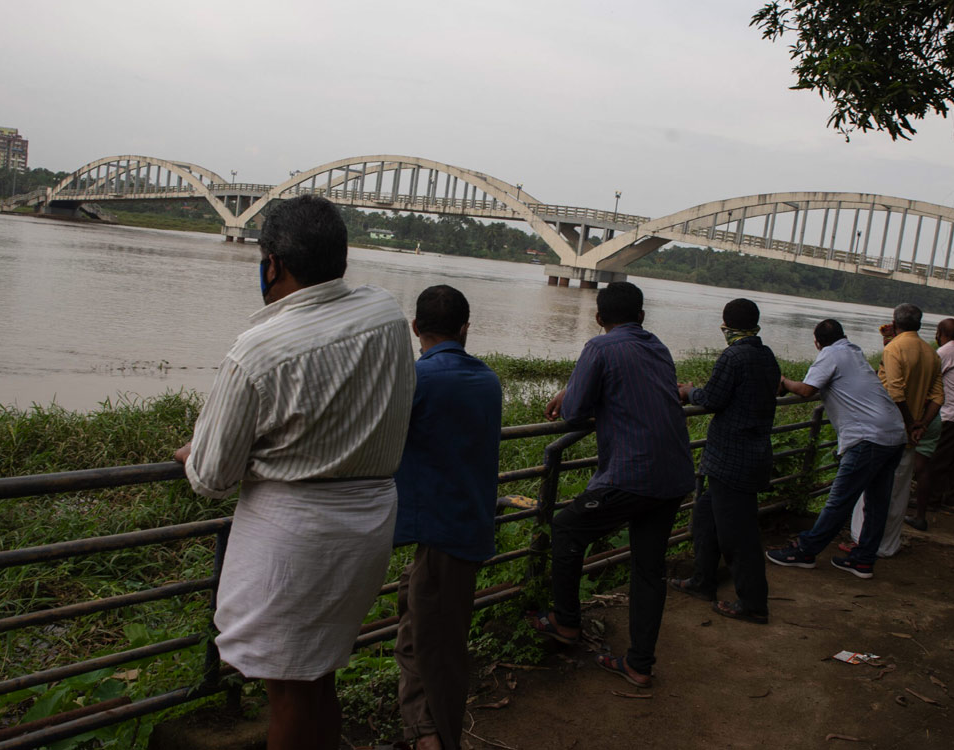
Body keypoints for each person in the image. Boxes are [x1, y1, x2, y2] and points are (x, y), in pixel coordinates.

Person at [173, 195, 415, 750]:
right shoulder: (386, 314)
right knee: (319, 675)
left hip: (296, 540)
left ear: (273, 263)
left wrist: (197, 453)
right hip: (369, 522)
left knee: (287, 691)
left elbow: (211, 479)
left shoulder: (257, 352)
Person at [528, 281, 694, 689]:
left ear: (599, 318)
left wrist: (570, 392)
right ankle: (639, 663)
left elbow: (577, 409)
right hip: (674, 475)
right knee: (649, 570)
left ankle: (566, 622)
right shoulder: (657, 346)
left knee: (567, 527)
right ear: (641, 317)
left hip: (634, 473)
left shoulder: (600, 348)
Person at [392, 285, 502, 750]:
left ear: (415, 328)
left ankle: (435, 739)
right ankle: (424, 733)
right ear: (465, 329)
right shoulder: (488, 380)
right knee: (417, 637)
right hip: (465, 528)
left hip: (440, 534)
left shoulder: (417, 380)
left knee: (436, 655)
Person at [768, 319, 906, 578]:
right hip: (893, 433)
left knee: (839, 501)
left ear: (817, 342)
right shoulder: (853, 351)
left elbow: (807, 390)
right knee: (876, 503)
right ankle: (863, 559)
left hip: (868, 438)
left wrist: (784, 382)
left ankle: (805, 551)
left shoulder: (831, 354)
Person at [670, 298, 779, 623]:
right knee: (705, 518)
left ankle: (754, 604)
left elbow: (714, 399)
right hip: (749, 456)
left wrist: (690, 392)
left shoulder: (734, 356)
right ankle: (703, 581)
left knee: (739, 536)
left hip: (732, 460)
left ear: (726, 325)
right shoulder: (766, 354)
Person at [849, 303, 943, 557]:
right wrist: (921, 423)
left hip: (885, 431)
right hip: (910, 437)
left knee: (871, 491)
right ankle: (888, 544)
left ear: (895, 322)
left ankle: (863, 540)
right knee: (899, 490)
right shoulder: (931, 353)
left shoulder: (895, 349)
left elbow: (895, 392)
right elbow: (937, 396)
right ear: (920, 324)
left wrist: (910, 422)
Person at [905, 319, 954, 530]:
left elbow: (924, 378)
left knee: (936, 460)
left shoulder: (943, 354)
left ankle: (930, 501)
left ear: (940, 333)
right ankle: (950, 501)